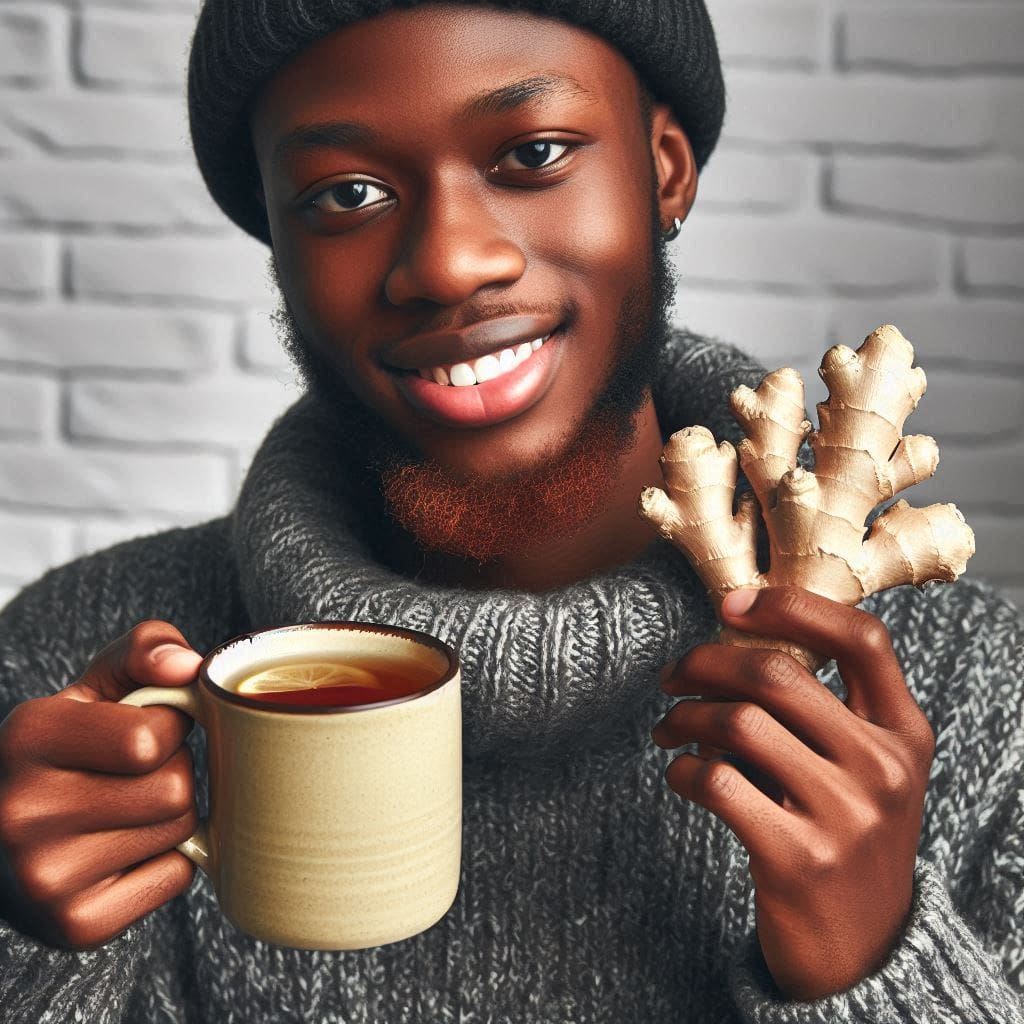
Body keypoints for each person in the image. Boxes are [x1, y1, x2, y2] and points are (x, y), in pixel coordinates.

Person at [0, 0, 1021, 1020]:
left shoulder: (984, 697)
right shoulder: (68, 687)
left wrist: (881, 968)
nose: (448, 263)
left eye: (532, 154)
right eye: (345, 193)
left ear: (664, 168)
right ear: (276, 241)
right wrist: (23, 950)